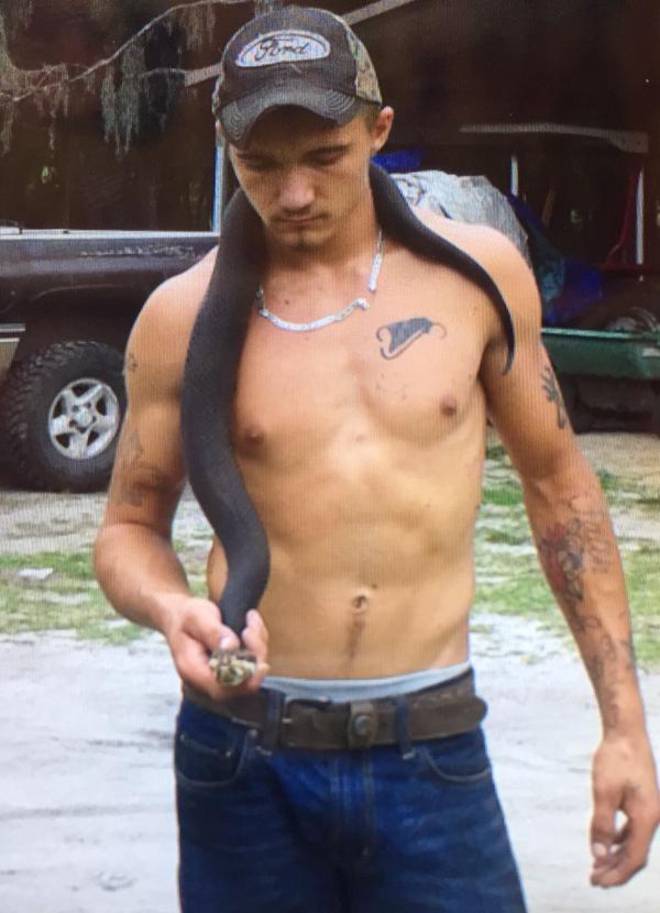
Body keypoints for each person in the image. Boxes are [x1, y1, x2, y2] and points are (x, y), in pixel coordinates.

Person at [93, 7, 660, 912]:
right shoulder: (180, 317)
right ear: (227, 147)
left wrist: (625, 726)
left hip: (432, 751)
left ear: (379, 129)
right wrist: (171, 608)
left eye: (325, 156)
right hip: (244, 757)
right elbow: (127, 528)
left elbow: (563, 492)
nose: (294, 195)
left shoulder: (477, 280)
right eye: (261, 165)